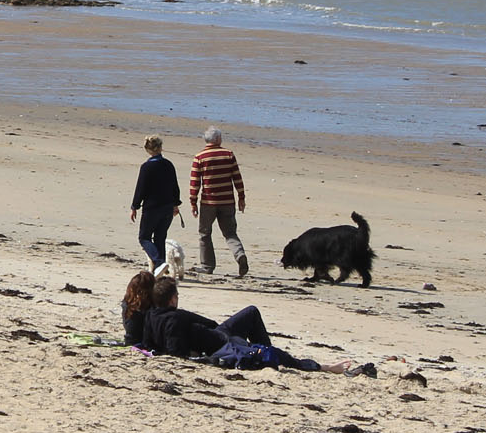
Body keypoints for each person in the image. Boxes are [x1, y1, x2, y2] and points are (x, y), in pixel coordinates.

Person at [122, 273, 336, 372]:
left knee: (254, 332)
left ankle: (276, 357)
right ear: (172, 299)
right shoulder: (176, 317)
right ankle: (317, 366)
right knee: (254, 321)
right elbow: (180, 348)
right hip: (219, 341)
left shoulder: (145, 315)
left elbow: (150, 345)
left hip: (212, 339)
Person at [189, 126, 249, 277]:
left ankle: (207, 265)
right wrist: (241, 197)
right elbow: (237, 178)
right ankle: (239, 254)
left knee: (204, 233)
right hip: (227, 201)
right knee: (230, 233)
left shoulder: (199, 157)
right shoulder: (228, 154)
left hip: (208, 203)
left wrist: (193, 201)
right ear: (218, 140)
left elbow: (195, 182)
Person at [128, 134, 181, 268]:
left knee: (144, 238)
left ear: (148, 149)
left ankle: (159, 262)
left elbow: (141, 189)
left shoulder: (146, 167)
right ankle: (160, 268)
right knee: (160, 237)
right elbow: (175, 186)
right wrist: (175, 204)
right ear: (160, 148)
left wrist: (134, 206)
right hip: (167, 206)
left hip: (152, 208)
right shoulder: (168, 165)